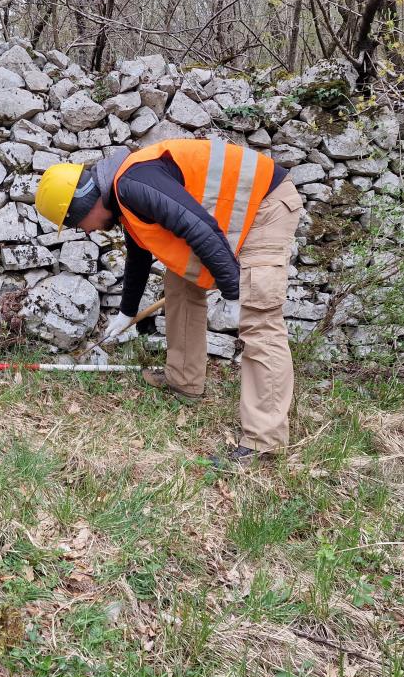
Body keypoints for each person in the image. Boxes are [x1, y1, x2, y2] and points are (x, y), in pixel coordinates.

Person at [34, 139, 303, 464]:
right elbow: (139, 252)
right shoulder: (123, 196)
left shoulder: (133, 184)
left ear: (85, 206)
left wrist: (233, 291)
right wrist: (127, 311)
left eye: (78, 225)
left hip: (265, 205)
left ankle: (264, 443)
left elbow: (201, 230)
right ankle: (184, 380)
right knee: (180, 279)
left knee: (258, 316)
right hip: (230, 214)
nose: (87, 232)